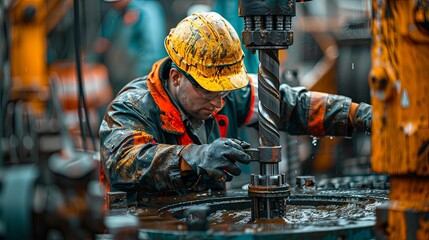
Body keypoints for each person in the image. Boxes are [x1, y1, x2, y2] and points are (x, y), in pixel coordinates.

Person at [99, 12, 372, 202]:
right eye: (208, 91)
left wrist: (359, 115)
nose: (219, 103)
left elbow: (291, 105)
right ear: (176, 77)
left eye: (225, 92)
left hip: (204, 218)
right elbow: (124, 162)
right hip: (149, 223)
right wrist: (195, 157)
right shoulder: (132, 107)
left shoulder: (224, 92)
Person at [92, 0, 167, 95]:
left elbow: (153, 52)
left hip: (140, 85)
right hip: (118, 83)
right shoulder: (114, 14)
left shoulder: (146, 10)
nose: (112, 4)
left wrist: (138, 83)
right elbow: (103, 42)